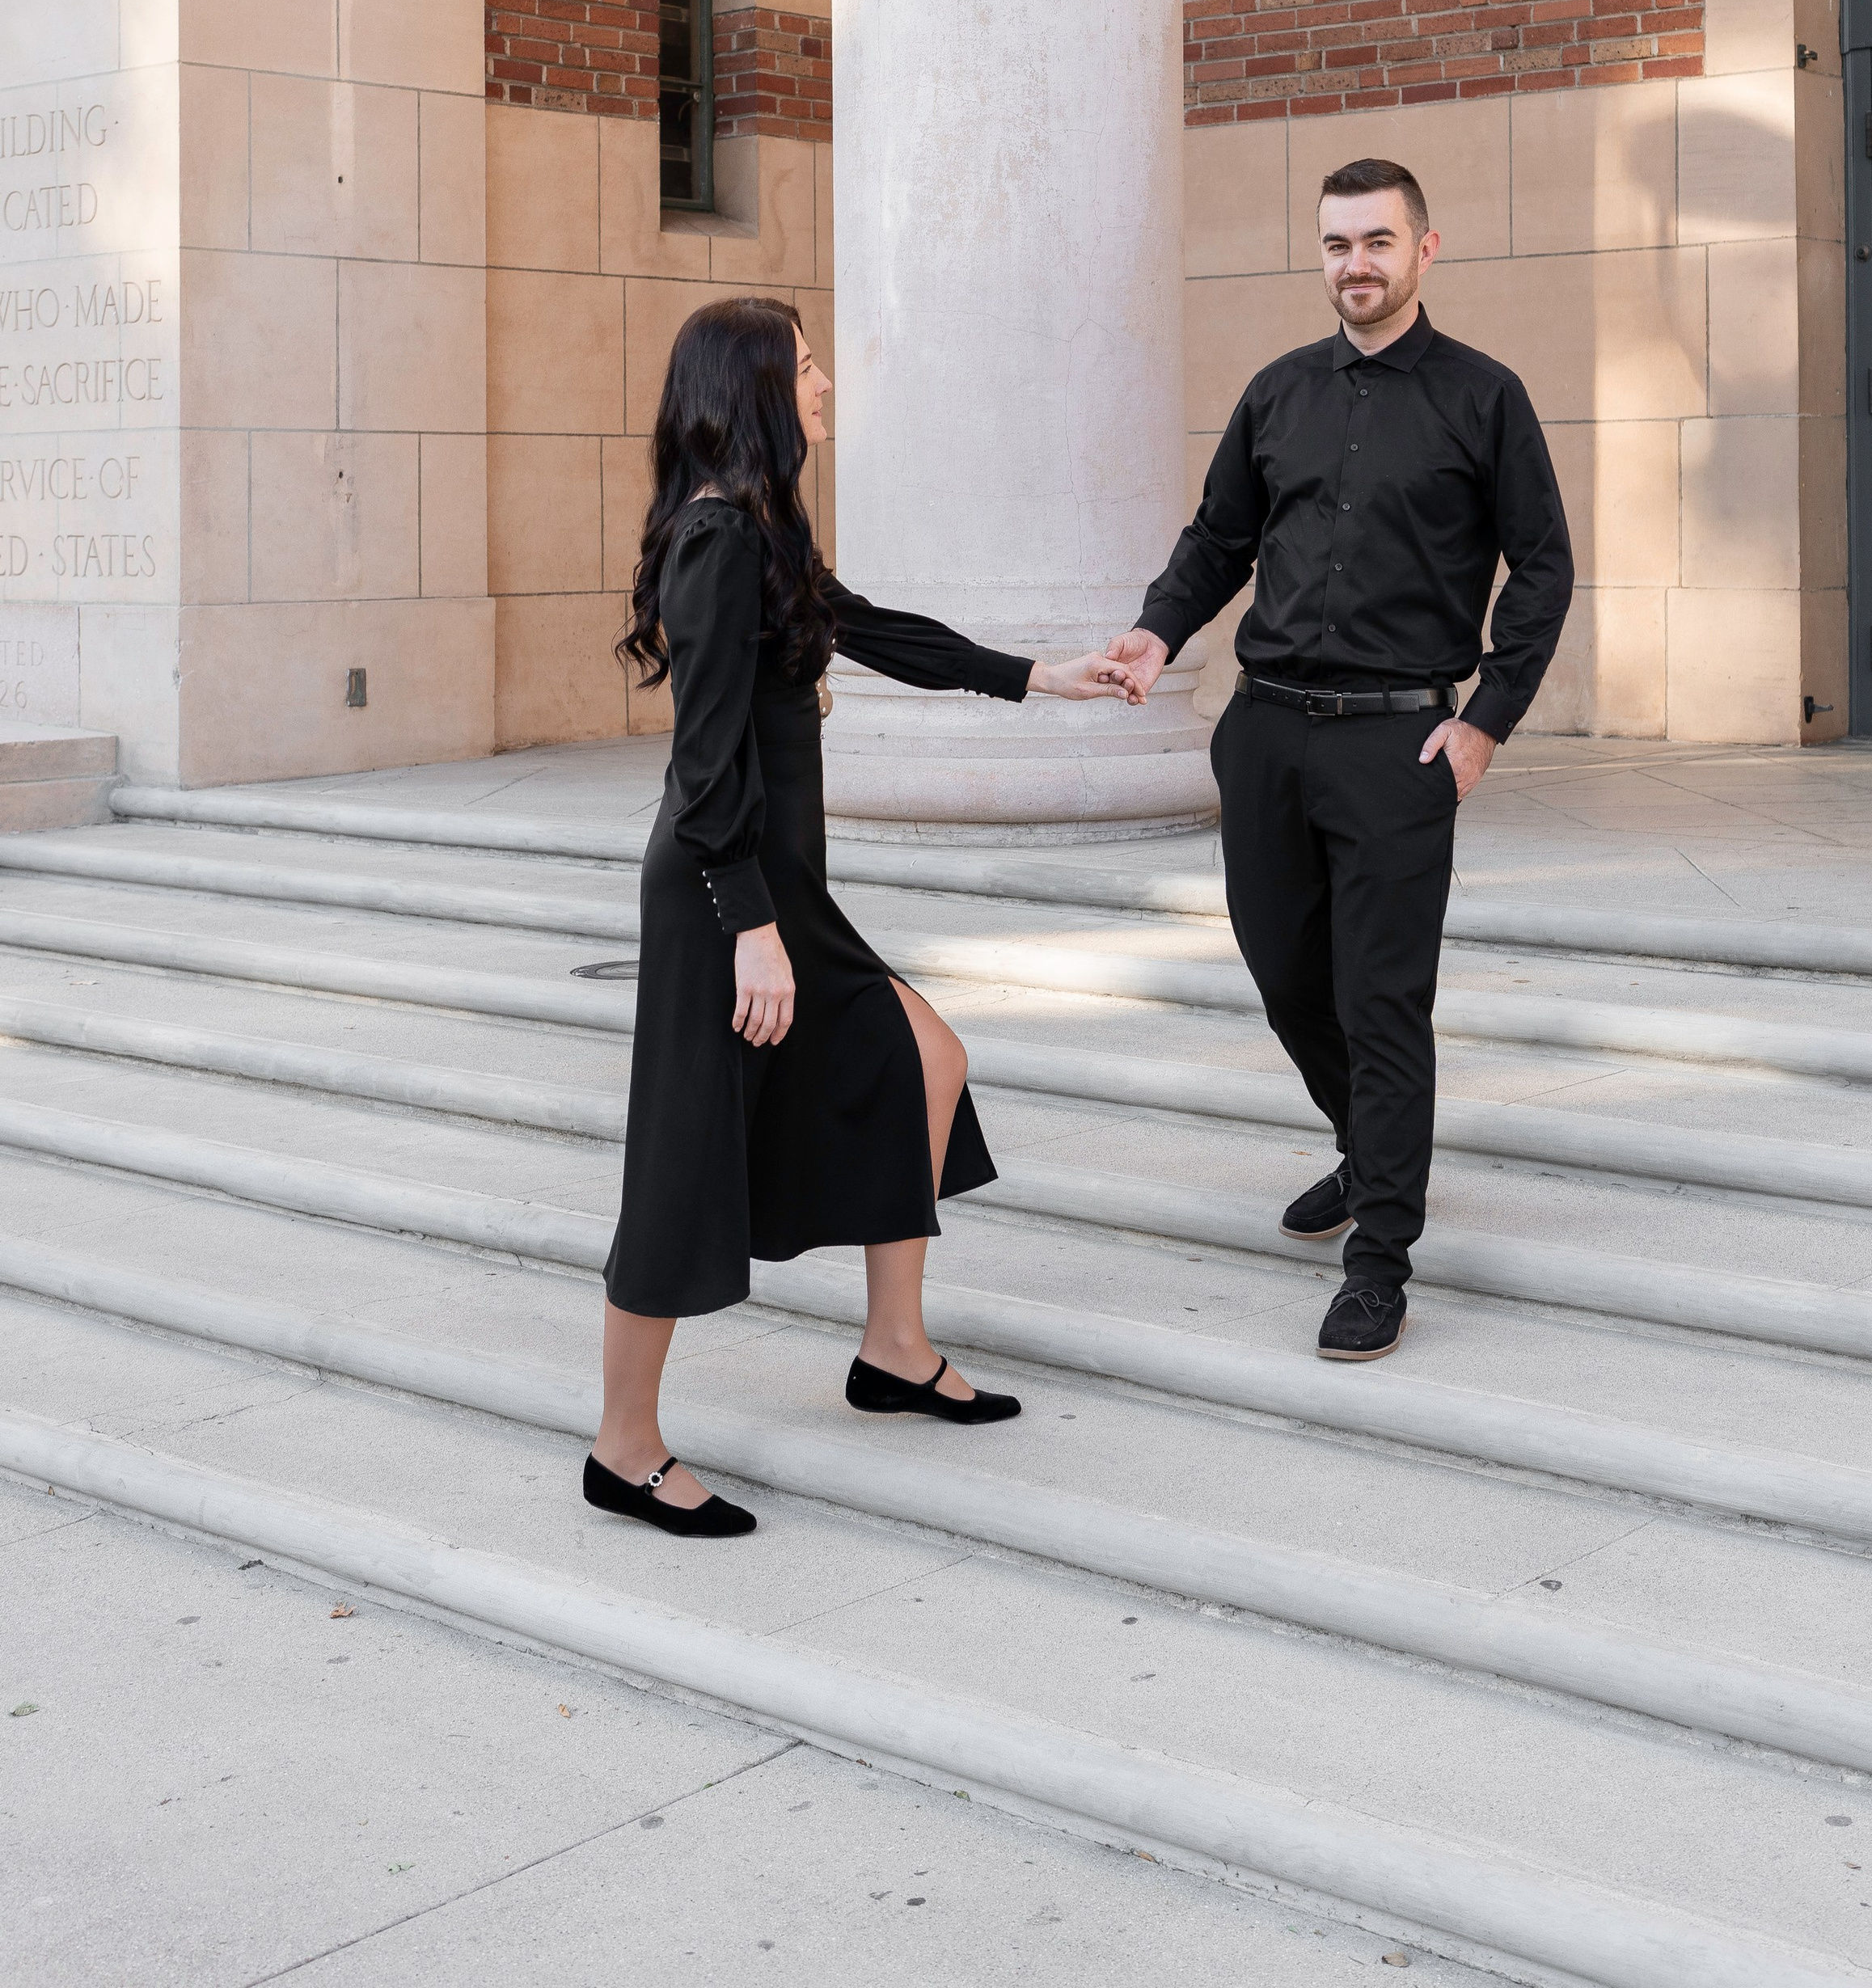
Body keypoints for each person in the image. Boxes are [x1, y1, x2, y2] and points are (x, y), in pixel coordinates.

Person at [586, 293, 1129, 1538]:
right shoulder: (717, 542)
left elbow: (876, 631)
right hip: (727, 901)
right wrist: (752, 927)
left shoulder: (767, 531)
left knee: (923, 1056)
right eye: (808, 364)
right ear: (757, 388)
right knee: (680, 1165)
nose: (826, 382)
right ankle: (623, 1449)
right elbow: (706, 760)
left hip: (778, 896)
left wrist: (1042, 675)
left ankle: (893, 1348)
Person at [1106, 158, 1573, 1365]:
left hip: (1395, 739)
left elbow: (1545, 568)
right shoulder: (1277, 394)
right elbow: (1219, 537)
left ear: (1427, 249)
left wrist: (1486, 721)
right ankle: (1371, 1153)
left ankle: (1381, 1260)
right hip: (1265, 729)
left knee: (1381, 998)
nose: (1353, 265)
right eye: (1334, 245)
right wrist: (1161, 626)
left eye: (1376, 242)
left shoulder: (1486, 398)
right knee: (1282, 975)